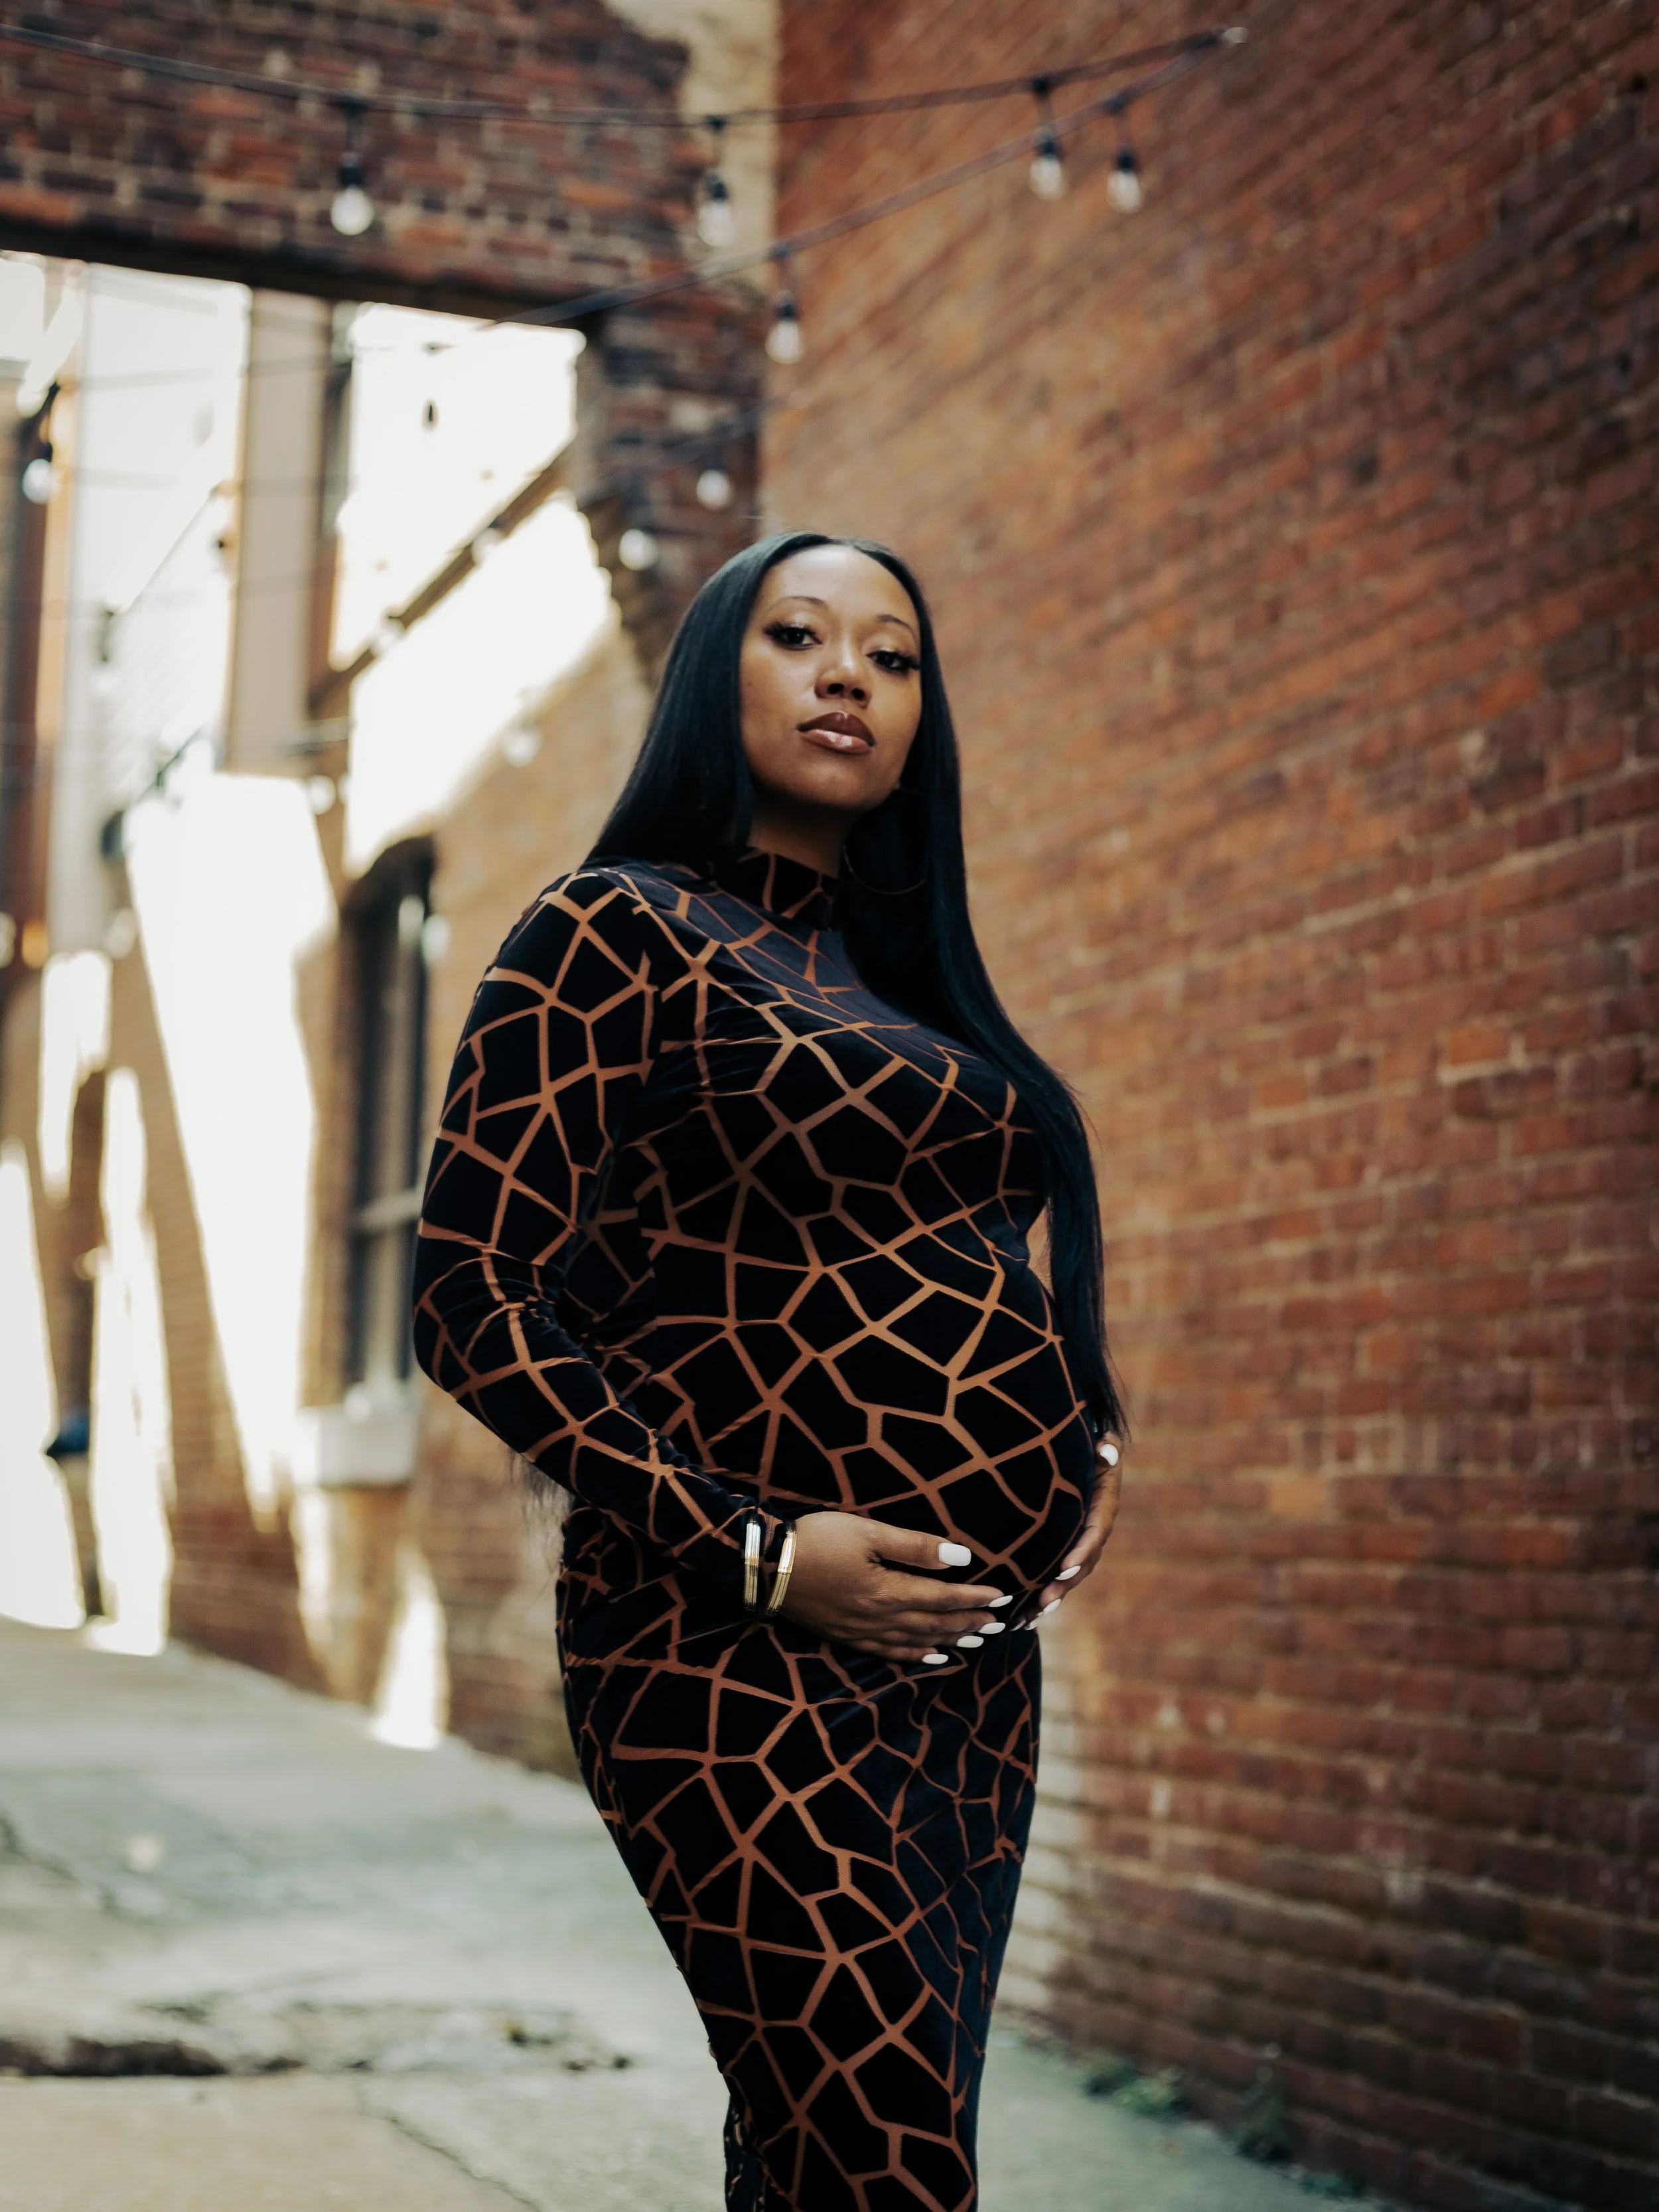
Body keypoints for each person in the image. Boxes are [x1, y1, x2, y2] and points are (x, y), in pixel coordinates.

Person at [412, 531, 1123, 2211]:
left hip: (959, 1670)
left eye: (891, 655)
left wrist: (1085, 1430)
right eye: (799, 635)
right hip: (717, 1648)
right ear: (710, 672)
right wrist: (750, 1543)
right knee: (891, 2154)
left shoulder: (906, 984)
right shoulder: (612, 932)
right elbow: (469, 1293)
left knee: (832, 2149)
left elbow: (965, 1253)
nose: (847, 676)